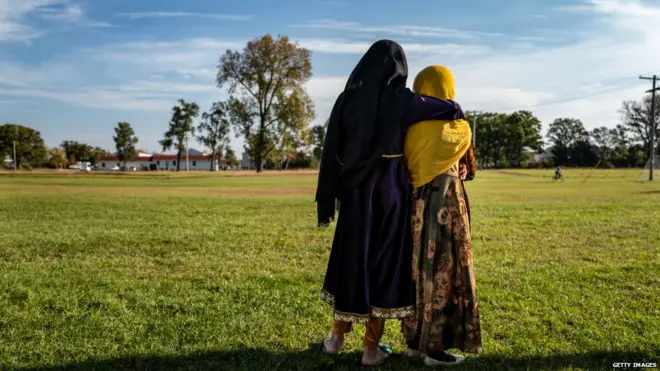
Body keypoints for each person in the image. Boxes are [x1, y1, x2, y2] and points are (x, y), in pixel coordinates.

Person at [315, 41, 465, 367]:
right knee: (381, 266)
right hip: (389, 194)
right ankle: (371, 350)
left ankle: (335, 340)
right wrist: (456, 110)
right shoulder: (401, 99)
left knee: (352, 262)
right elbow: (442, 107)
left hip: (355, 194)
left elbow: (331, 149)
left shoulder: (346, 100)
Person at [401, 65, 483, 367]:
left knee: (416, 273)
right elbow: (468, 167)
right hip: (449, 208)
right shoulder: (459, 127)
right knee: (445, 275)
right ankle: (435, 350)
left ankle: (414, 342)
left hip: (414, 207)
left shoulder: (408, 127)